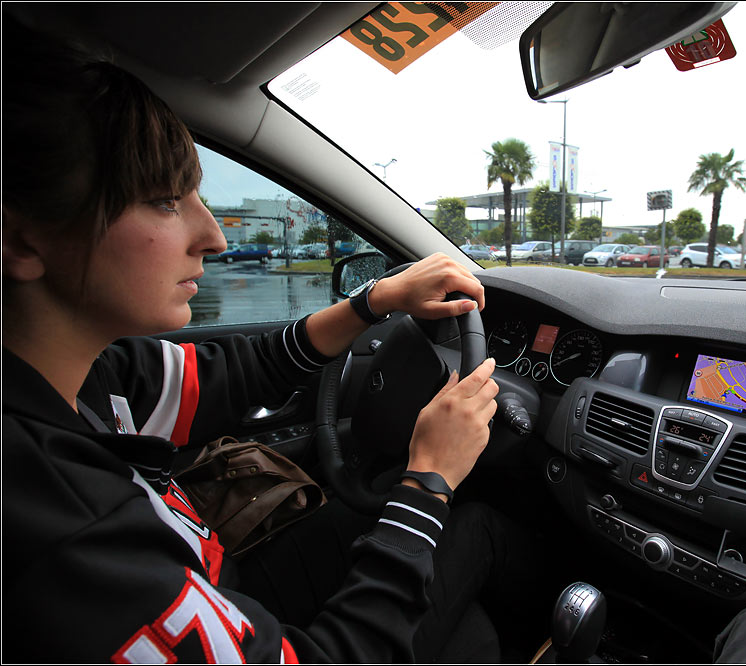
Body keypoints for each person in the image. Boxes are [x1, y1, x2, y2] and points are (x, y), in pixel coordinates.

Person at [1, 17, 543, 663]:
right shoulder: (68, 536)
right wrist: (430, 477)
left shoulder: (89, 373)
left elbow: (240, 373)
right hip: (237, 609)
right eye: (165, 201)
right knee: (479, 529)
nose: (214, 237)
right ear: (22, 241)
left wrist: (373, 300)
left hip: (220, 580)